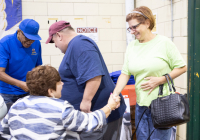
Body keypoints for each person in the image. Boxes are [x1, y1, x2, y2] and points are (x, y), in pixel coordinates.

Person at [112, 6, 187, 140]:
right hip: (141, 105)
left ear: (147, 23)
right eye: (130, 28)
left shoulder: (164, 43)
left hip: (162, 105)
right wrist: (115, 94)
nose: (132, 32)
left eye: (134, 27)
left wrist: (161, 80)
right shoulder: (132, 47)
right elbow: (125, 73)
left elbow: (182, 67)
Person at [46, 21, 126, 140]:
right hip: (91, 117)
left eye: (54, 41)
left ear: (59, 35)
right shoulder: (75, 46)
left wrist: (86, 101)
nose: (56, 46)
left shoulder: (80, 44)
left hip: (97, 115)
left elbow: (94, 75)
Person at [0, 65, 121, 140]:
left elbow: (3, 133)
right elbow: (90, 122)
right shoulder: (60, 108)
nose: (62, 84)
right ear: (50, 90)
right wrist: (110, 106)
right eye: (59, 82)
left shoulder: (16, 105)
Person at [0, 19, 42, 104]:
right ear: (19, 32)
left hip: (29, 92)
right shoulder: (5, 43)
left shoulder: (36, 43)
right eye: (27, 38)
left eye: (33, 39)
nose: (30, 42)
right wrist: (20, 84)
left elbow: (38, 68)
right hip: (8, 93)